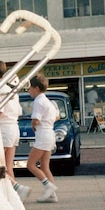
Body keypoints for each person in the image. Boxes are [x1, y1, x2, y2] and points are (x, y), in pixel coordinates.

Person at [0, 59, 30, 201]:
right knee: (7, 167)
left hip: (3, 129)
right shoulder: (10, 88)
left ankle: (17, 188)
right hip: (13, 127)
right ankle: (13, 197)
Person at [27, 74, 59, 202]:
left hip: (42, 135)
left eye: (29, 88)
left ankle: (48, 186)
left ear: (36, 88)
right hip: (50, 133)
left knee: (31, 164)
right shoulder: (48, 102)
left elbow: (35, 120)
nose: (28, 90)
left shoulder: (38, 101)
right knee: (45, 166)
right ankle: (52, 195)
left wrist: (33, 126)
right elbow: (57, 116)